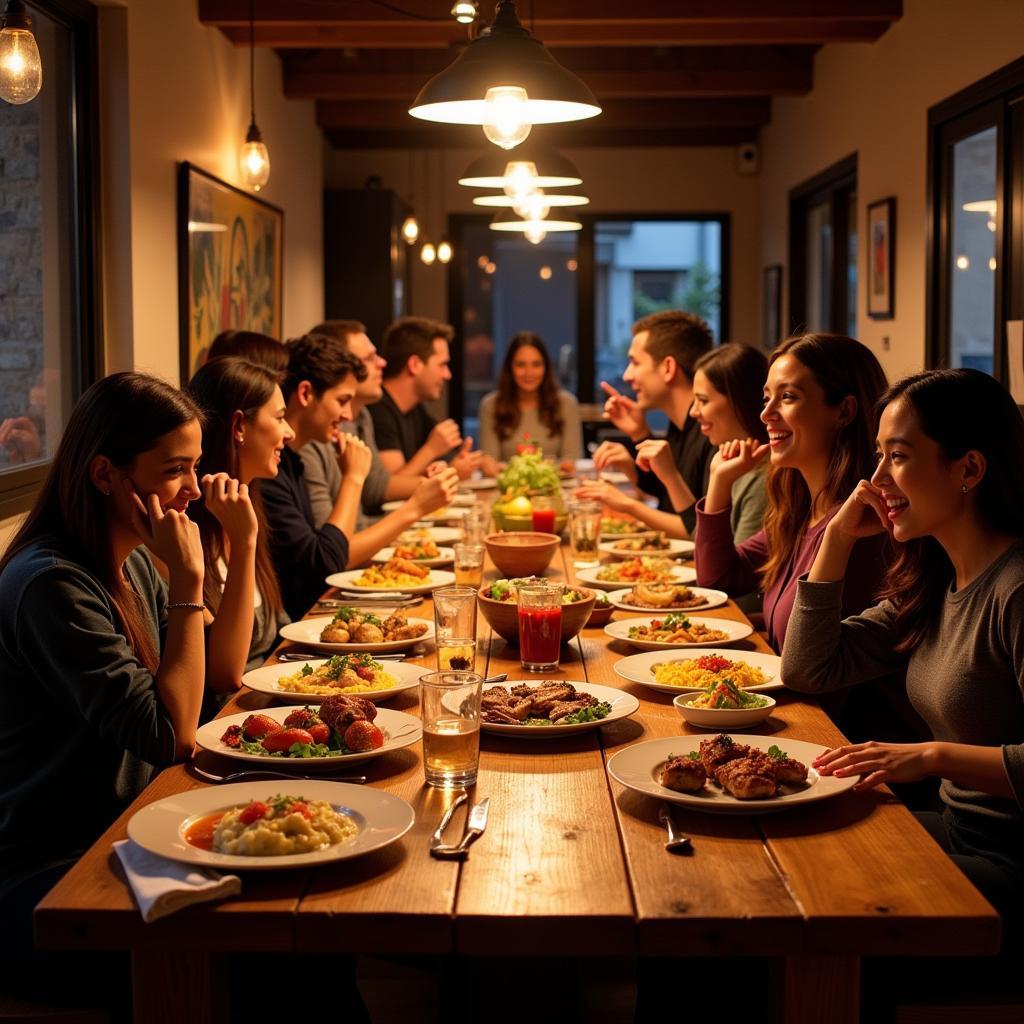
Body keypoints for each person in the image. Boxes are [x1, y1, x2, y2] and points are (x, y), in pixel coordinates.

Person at [782, 368, 1024, 949]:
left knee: (802, 898)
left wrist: (932, 757)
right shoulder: (937, 580)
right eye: (878, 457)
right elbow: (807, 669)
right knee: (776, 852)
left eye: (898, 456)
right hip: (957, 835)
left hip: (1011, 869)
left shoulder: (1015, 591)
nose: (876, 480)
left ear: (969, 468)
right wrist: (836, 538)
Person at [0, 372, 207, 1009]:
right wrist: (190, 585)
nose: (193, 491)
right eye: (176, 470)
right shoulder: (52, 585)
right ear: (104, 474)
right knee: (261, 955)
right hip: (48, 870)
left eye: (196, 467)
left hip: (124, 831)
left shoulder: (136, 559)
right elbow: (172, 734)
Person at [694, 333, 888, 653]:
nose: (766, 414)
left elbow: (820, 666)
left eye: (787, 397)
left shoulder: (862, 522)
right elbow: (718, 580)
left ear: (844, 411)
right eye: (766, 397)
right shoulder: (799, 511)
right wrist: (719, 482)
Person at [186, 357, 293, 678]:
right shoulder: (184, 531)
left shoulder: (249, 501)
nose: (289, 432)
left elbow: (280, 630)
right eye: (280, 418)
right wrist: (245, 541)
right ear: (239, 427)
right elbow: (225, 673)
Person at [258, 334, 372, 620]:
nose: (348, 415)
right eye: (342, 401)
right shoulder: (268, 472)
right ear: (306, 393)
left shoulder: (292, 461)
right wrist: (354, 478)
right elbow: (325, 562)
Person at [301, 320, 453, 528]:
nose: (382, 362)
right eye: (370, 358)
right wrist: (416, 506)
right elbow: (330, 548)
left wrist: (432, 484)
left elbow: (375, 487)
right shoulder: (310, 437)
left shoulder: (362, 415)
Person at [577, 310, 714, 537]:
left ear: (668, 368)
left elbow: (697, 529)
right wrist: (639, 435)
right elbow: (669, 496)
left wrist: (628, 504)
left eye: (634, 362)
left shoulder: (711, 430)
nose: (627, 375)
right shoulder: (680, 424)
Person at [371, 315, 482, 480]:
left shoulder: (415, 409)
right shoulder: (377, 409)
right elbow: (388, 489)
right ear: (415, 365)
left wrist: (463, 462)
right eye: (442, 365)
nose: (447, 375)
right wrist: (431, 451)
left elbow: (447, 455)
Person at [477, 331, 582, 475]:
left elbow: (571, 462)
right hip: (508, 492)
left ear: (546, 367)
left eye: (536, 364)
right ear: (510, 368)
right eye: (521, 365)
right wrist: (548, 467)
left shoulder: (567, 404)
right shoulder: (490, 405)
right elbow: (490, 465)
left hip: (555, 491)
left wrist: (511, 468)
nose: (529, 373)